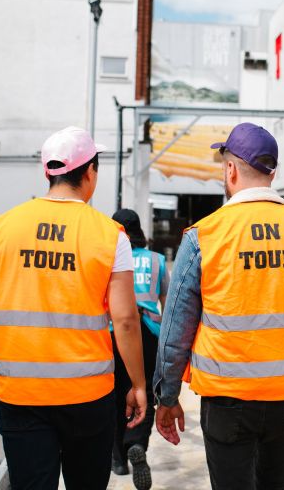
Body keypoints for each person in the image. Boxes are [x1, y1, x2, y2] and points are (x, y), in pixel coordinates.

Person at [152, 122, 284, 490]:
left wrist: (166, 395)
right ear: (273, 172)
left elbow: (176, 328)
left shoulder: (205, 236)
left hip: (228, 400)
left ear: (230, 170)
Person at [0, 126, 148, 490]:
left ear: (47, 172)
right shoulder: (110, 234)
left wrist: (2, 349)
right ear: (90, 173)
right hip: (87, 394)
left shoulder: (0, 230)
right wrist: (139, 385)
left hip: (21, 393)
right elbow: (126, 320)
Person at [110, 208, 168, 490]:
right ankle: (137, 445)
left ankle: (118, 458)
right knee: (144, 392)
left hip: (113, 334)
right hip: (150, 334)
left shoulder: (108, 258)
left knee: (115, 394)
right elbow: (169, 306)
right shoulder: (157, 261)